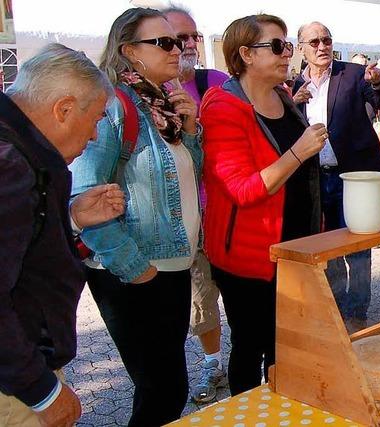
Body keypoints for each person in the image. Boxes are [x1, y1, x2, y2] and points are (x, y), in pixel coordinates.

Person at [70, 8, 202, 426]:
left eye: (178, 42)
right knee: (164, 388)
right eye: (163, 42)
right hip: (134, 271)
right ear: (129, 51)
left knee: (165, 387)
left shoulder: (161, 105)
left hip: (173, 265)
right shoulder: (112, 105)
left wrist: (192, 128)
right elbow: (83, 192)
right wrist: (133, 266)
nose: (177, 49)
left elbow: (188, 176)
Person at [0, 44, 124, 427]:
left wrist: (69, 219)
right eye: (96, 118)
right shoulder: (11, 164)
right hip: (15, 386)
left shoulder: (20, 154)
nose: (93, 135)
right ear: (64, 109)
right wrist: (42, 391)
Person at [199, 14, 324, 395]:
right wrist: (298, 153)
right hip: (250, 258)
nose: (287, 52)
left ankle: (284, 409)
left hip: (294, 246)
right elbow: (243, 190)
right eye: (276, 45)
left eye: (287, 45)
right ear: (245, 55)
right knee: (251, 348)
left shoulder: (284, 96)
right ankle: (247, 414)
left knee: (287, 346)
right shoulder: (223, 108)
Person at [292, 21, 380, 330]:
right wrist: (292, 103)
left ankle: (358, 311)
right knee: (330, 245)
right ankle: (337, 306)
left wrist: (376, 83)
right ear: (302, 48)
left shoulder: (350, 72)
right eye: (314, 42)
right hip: (317, 178)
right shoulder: (295, 84)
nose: (322, 46)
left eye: (326, 40)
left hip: (354, 175)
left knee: (358, 244)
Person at [163, 5, 229, 404]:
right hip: (185, 218)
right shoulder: (143, 96)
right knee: (201, 298)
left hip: (227, 210)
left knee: (244, 291)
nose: (186, 45)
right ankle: (214, 362)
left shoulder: (215, 82)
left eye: (192, 37)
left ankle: (256, 361)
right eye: (175, 38)